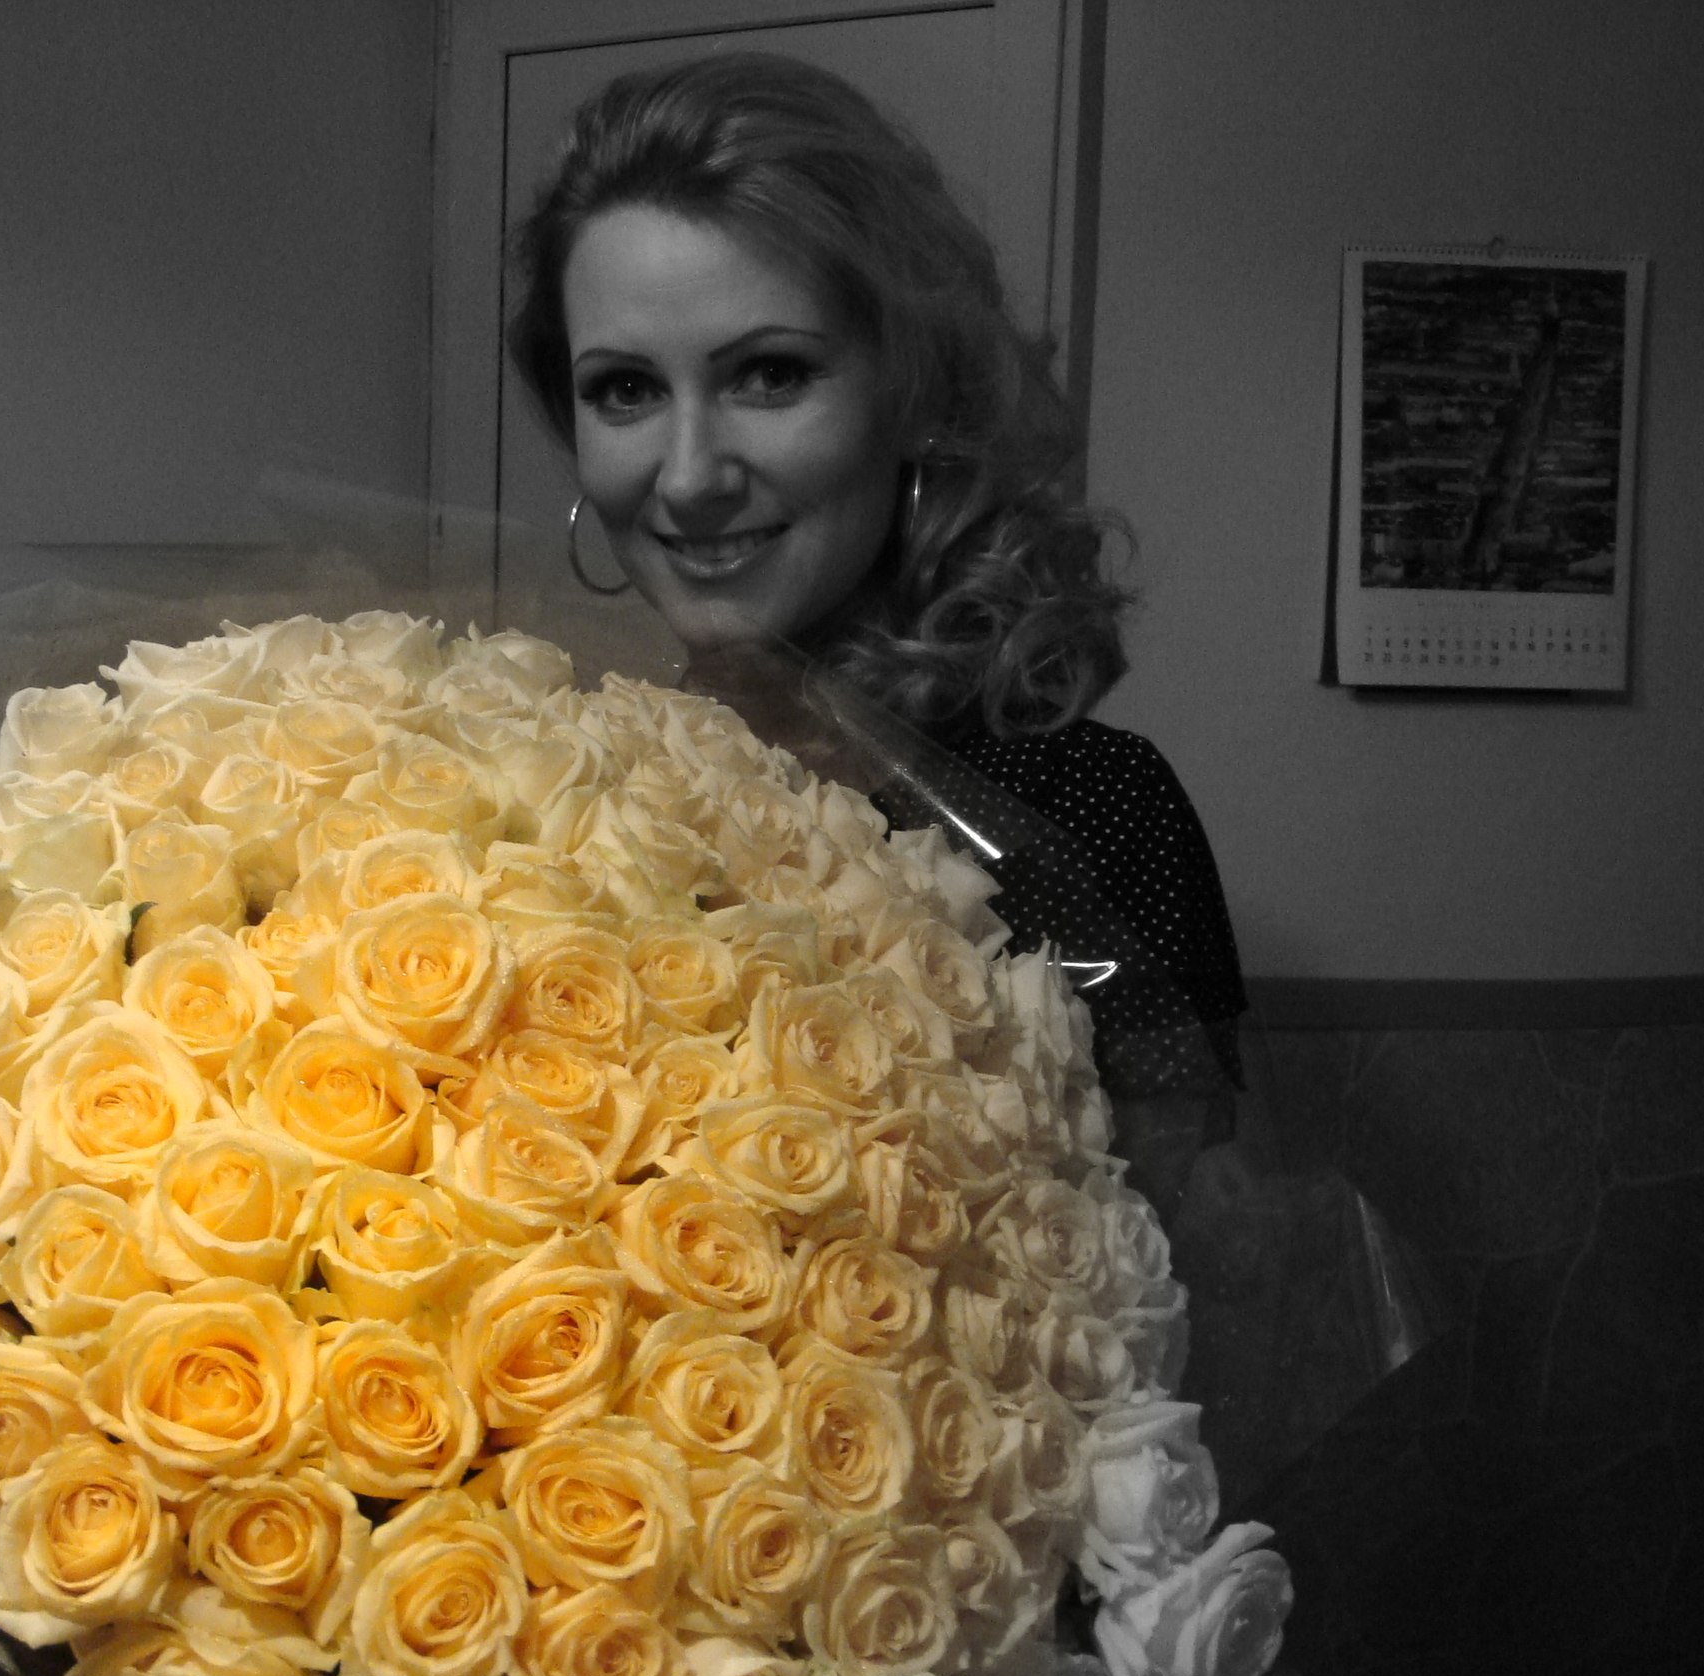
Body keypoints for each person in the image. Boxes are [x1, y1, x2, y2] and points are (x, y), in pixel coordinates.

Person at [506, 51, 1245, 1203]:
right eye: (626, 390)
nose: (689, 476)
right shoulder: (534, 794)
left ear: (911, 391)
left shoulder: (1093, 811)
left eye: (768, 374)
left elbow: (1170, 1241)